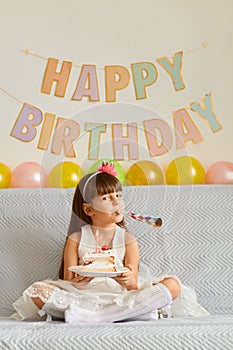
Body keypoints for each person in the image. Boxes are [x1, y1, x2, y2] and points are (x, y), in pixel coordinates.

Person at [12, 163, 206, 323]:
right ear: (89, 210)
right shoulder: (76, 239)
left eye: (118, 196)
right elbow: (68, 279)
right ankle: (131, 314)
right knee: (38, 291)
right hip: (83, 297)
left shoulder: (128, 240)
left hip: (121, 297)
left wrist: (127, 279)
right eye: (106, 198)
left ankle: (97, 316)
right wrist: (78, 280)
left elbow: (132, 285)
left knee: (172, 285)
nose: (116, 201)